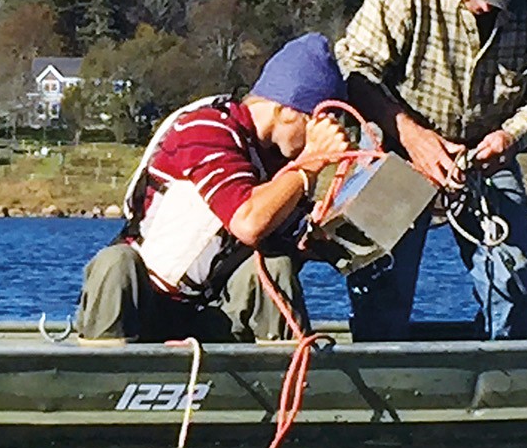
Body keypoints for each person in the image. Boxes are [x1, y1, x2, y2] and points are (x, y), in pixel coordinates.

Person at [334, 0, 527, 340]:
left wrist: (511, 135)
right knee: (379, 290)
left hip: (487, 155)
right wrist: (412, 136)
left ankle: (502, 384)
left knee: (513, 289)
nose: (486, 5)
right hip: (395, 146)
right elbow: (353, 70)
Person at [76, 33, 350, 342]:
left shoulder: (278, 166)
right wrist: (311, 163)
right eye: (319, 123)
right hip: (143, 303)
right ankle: (103, 375)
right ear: (287, 111)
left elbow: (296, 238)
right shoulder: (206, 129)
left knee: (275, 268)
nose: (320, 137)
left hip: (209, 312)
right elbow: (248, 221)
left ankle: (289, 379)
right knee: (116, 263)